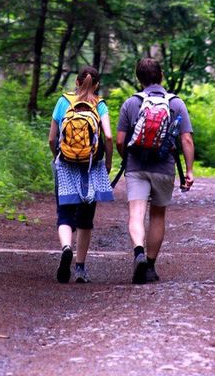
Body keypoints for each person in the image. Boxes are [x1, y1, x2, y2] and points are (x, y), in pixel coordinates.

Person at [115, 55, 194, 284]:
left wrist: (128, 159)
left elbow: (120, 140)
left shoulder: (131, 103)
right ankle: (149, 265)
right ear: (161, 75)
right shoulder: (175, 103)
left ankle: (138, 251)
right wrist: (189, 171)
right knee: (157, 214)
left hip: (137, 166)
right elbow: (186, 139)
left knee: (136, 214)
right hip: (164, 167)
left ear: (139, 79)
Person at [49, 65, 114, 283]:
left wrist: (59, 155)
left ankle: (66, 247)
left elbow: (51, 138)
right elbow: (109, 137)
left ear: (76, 82)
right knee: (86, 220)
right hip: (91, 167)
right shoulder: (100, 105)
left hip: (65, 165)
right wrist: (108, 163)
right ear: (96, 85)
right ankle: (79, 268)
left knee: (64, 214)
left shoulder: (63, 102)